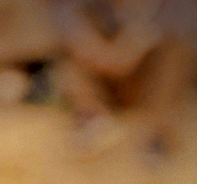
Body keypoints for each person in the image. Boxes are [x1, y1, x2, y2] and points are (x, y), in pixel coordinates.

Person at [53, 0, 197, 155]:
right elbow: (83, 45)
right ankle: (91, 118)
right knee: (69, 66)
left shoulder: (169, 7)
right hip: (106, 84)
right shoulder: (83, 7)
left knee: (174, 56)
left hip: (145, 88)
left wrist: (124, 52)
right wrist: (115, 54)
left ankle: (158, 131)